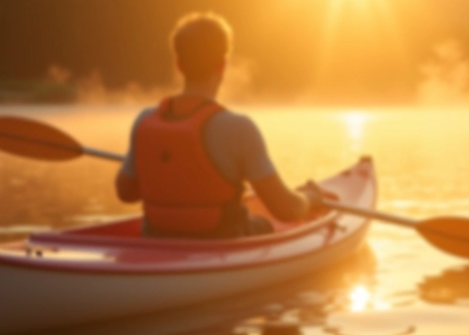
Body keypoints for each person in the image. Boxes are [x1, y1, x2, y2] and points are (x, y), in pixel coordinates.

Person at [115, 12, 325, 238]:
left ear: (178, 65)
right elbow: (287, 210)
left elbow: (125, 193)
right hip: (221, 241)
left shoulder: (145, 121)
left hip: (157, 237)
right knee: (264, 224)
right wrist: (311, 198)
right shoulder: (238, 128)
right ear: (222, 65)